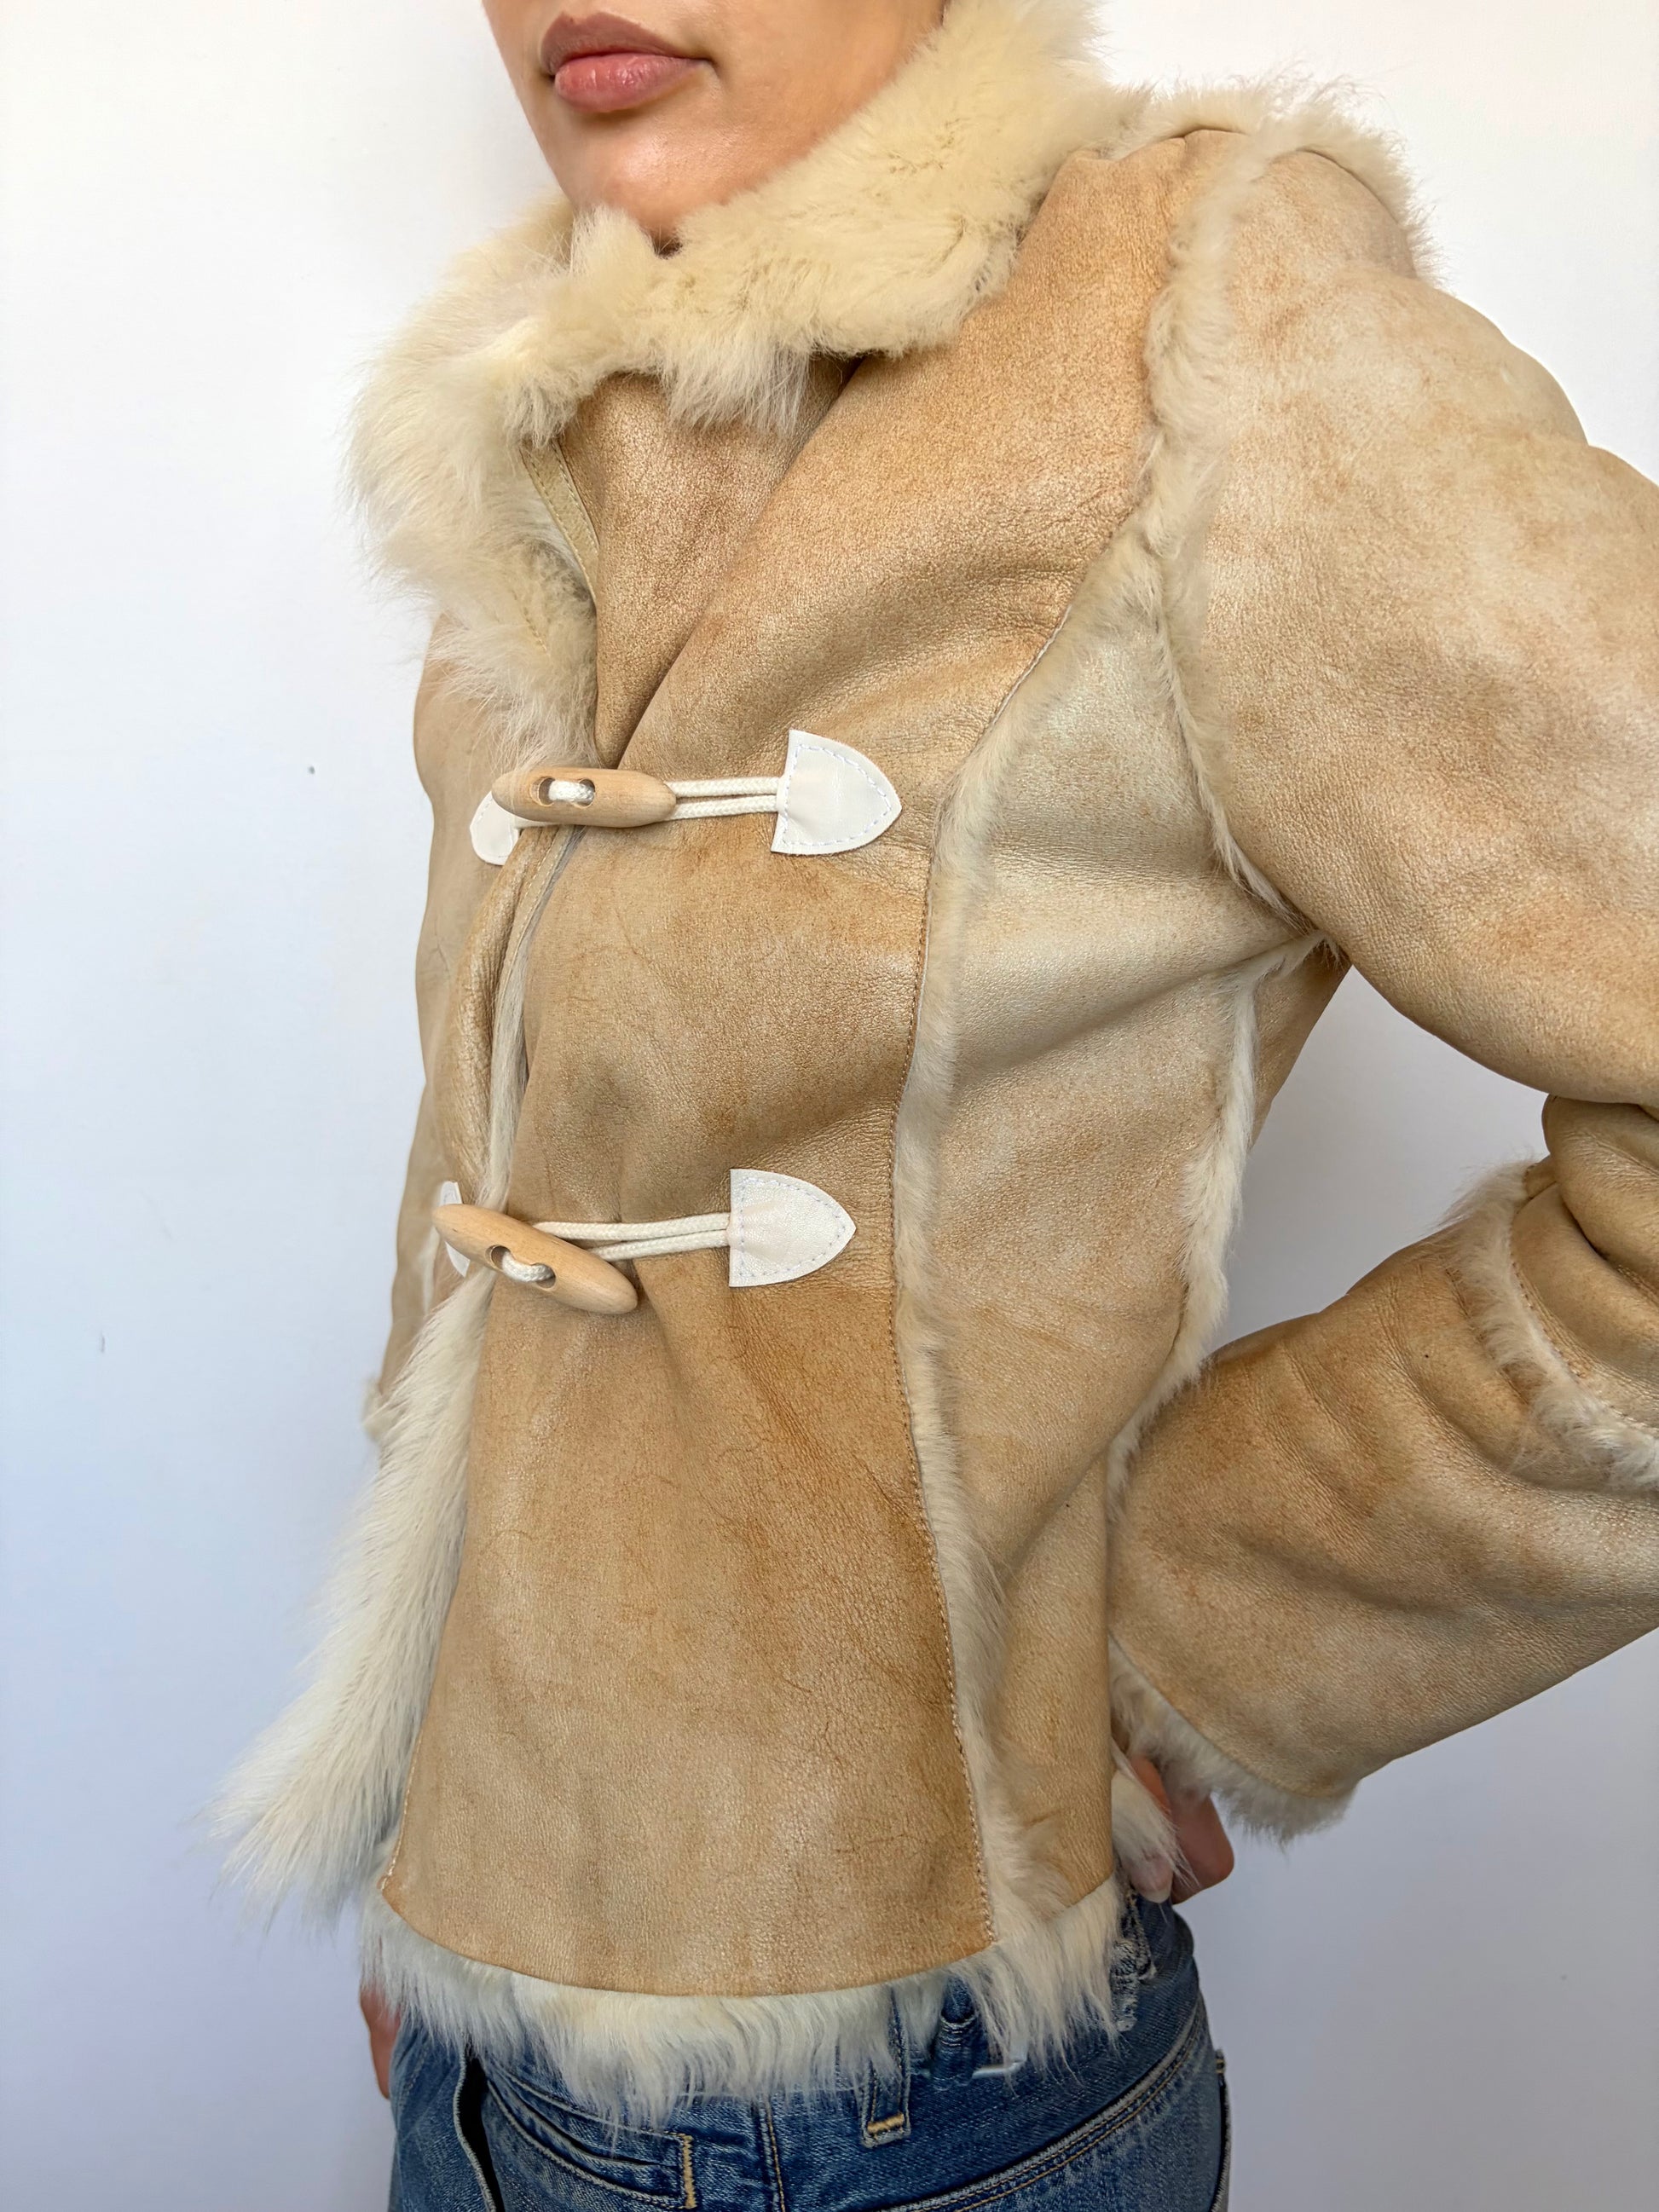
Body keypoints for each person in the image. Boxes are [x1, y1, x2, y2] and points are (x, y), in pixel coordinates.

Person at [218, 3, 1659, 2204]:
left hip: (914, 2112)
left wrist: (1198, 1638)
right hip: (485, 2033)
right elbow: (520, 1209)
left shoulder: (1207, 333)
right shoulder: (543, 395)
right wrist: (460, 1834)